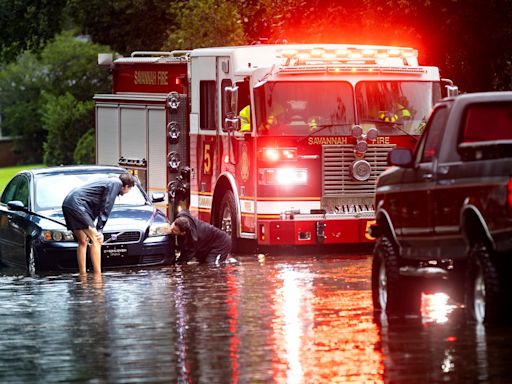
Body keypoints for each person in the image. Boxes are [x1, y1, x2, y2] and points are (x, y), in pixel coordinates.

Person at [62, 172, 136, 275]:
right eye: (130, 189)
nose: (128, 192)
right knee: (96, 239)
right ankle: (98, 276)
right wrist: (99, 229)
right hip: (77, 204)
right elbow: (107, 205)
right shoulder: (116, 183)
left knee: (83, 241)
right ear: (127, 186)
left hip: (68, 203)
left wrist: (94, 226)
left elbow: (96, 206)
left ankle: (83, 275)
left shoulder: (110, 181)